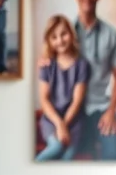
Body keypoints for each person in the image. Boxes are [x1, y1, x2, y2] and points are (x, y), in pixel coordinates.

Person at [70, 0, 116, 161]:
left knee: (113, 154)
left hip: (102, 110)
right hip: (73, 110)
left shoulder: (112, 34)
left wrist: (111, 112)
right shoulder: (65, 33)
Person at [35, 15, 89, 162]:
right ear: (49, 41)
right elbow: (44, 99)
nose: (60, 40)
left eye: (63, 34)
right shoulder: (47, 65)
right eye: (54, 37)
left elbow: (77, 102)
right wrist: (59, 124)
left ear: (71, 34)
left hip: (74, 122)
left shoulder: (81, 65)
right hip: (52, 120)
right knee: (57, 147)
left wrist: (65, 125)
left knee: (67, 158)